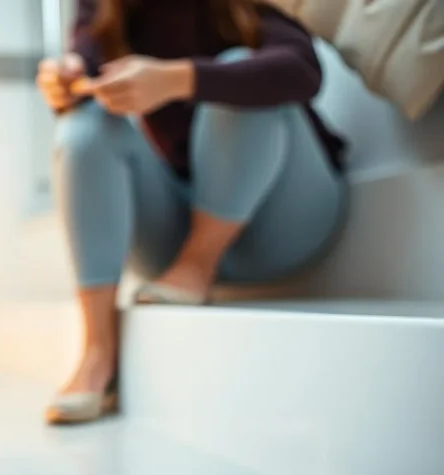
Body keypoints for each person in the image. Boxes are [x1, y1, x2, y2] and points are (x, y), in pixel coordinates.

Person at [39, 0, 348, 424]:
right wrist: (65, 79)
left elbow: (303, 69)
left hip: (285, 224)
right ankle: (97, 351)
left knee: (239, 68)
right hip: (174, 234)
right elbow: (85, 64)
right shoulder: (103, 7)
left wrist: (179, 79)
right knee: (82, 126)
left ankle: (198, 263)